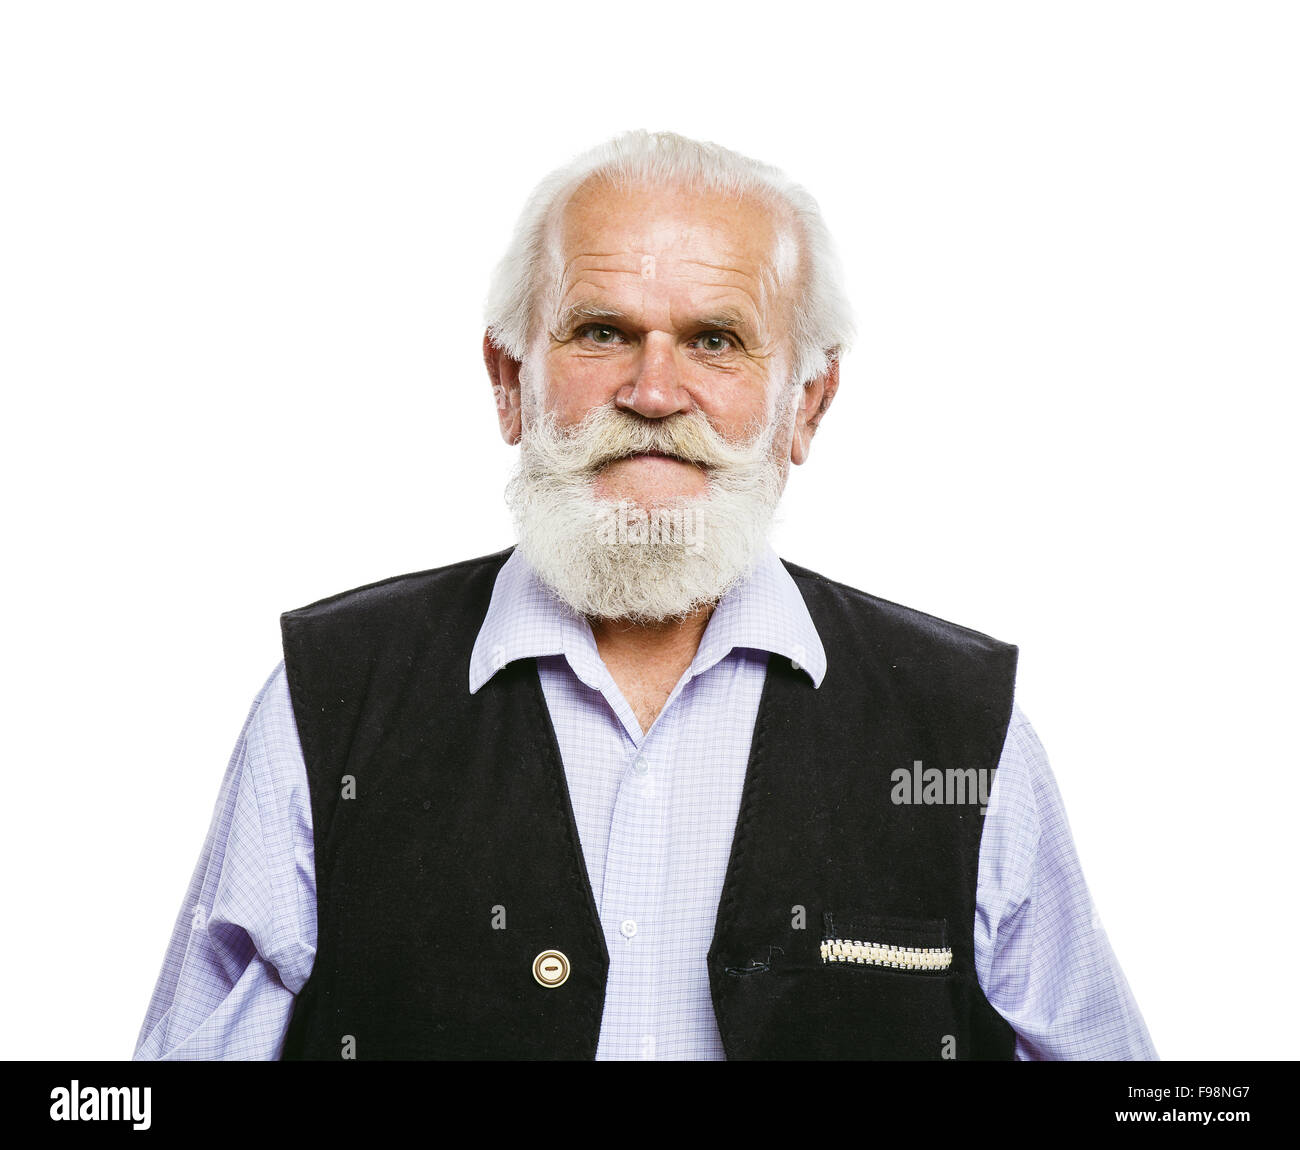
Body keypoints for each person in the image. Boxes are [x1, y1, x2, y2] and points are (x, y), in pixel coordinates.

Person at [134, 130, 1156, 1061]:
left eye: (715, 339)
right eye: (601, 332)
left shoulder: (960, 731)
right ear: (508, 382)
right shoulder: (327, 711)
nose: (654, 392)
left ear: (806, 404)